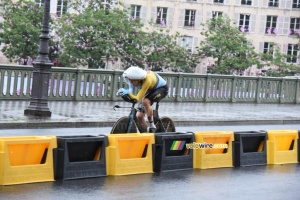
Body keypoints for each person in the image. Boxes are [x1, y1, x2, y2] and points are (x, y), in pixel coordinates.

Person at [117, 66, 168, 133]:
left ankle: (151, 125)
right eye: (130, 81)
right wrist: (123, 93)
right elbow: (130, 91)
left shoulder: (147, 81)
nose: (131, 83)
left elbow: (137, 99)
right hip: (150, 89)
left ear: (139, 79)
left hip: (162, 88)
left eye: (133, 81)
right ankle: (145, 133)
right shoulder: (132, 79)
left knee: (145, 101)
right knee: (139, 116)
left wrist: (128, 94)